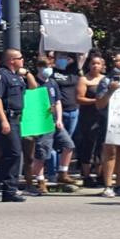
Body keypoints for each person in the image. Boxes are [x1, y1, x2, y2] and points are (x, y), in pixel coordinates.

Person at [0, 48, 36, 202]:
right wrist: (3, 120)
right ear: (12, 60)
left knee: (15, 154)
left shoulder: (16, 77)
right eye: (21, 58)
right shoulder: (0, 76)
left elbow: (33, 88)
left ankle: (10, 191)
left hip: (17, 119)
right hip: (6, 118)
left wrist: (27, 74)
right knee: (13, 153)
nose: (23, 61)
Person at [26, 58, 73, 196]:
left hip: (54, 122)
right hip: (42, 123)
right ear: (39, 68)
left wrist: (59, 119)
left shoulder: (52, 83)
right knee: (42, 153)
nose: (48, 69)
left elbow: (57, 101)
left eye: (50, 66)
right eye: (45, 66)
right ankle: (40, 181)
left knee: (68, 145)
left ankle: (63, 172)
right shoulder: (34, 83)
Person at [96, 50, 120, 198]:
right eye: (117, 61)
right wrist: (110, 92)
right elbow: (99, 104)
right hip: (110, 121)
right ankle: (108, 185)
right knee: (110, 152)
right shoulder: (105, 81)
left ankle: (119, 184)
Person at [47, 52, 81, 188]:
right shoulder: (52, 74)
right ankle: (51, 173)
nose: (63, 60)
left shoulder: (74, 72)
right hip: (54, 115)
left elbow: (82, 56)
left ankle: (62, 172)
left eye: (65, 58)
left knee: (67, 144)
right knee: (53, 145)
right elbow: (42, 58)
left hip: (72, 112)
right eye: (59, 58)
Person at [74, 55, 107, 187]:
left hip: (103, 117)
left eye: (98, 63)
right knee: (89, 145)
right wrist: (96, 101)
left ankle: (100, 175)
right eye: (93, 63)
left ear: (102, 66)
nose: (95, 66)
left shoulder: (105, 79)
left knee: (101, 146)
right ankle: (86, 175)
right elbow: (79, 98)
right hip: (89, 117)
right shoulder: (84, 80)